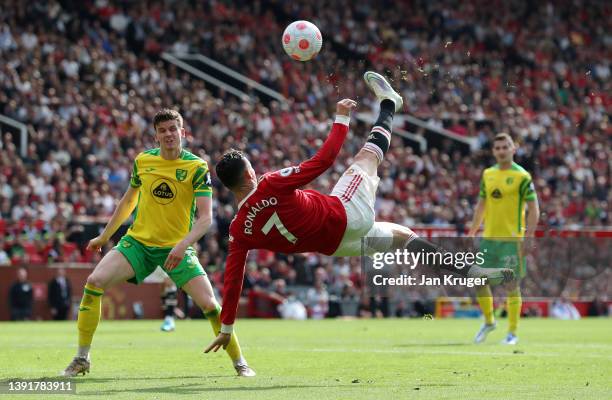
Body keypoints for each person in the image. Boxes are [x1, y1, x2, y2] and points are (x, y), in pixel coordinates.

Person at [205, 72, 514, 352]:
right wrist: (341, 119)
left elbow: (233, 280)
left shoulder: (237, 230)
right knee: (367, 157)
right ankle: (390, 104)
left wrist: (228, 327)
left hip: (335, 247)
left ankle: (473, 273)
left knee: (404, 237)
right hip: (346, 214)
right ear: (249, 176)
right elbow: (323, 161)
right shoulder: (270, 184)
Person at [62, 109, 255, 377]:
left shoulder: (196, 167)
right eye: (162, 130)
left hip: (176, 249)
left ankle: (240, 362)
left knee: (211, 305)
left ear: (182, 133)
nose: (168, 134)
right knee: (94, 281)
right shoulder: (143, 161)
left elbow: (206, 218)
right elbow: (128, 201)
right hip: (138, 244)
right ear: (156, 136)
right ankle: (82, 358)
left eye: (172, 129)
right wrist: (105, 236)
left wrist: (182, 245)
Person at [468, 133, 540, 345]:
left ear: (513, 149)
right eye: (497, 148)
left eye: (505, 147)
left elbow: (534, 209)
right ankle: (489, 322)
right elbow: (482, 204)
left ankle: (512, 333)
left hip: (512, 240)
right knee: (478, 280)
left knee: (511, 285)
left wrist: (529, 236)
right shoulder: (488, 174)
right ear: (493, 151)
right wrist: (472, 232)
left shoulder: (523, 176)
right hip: (489, 239)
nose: (501, 151)